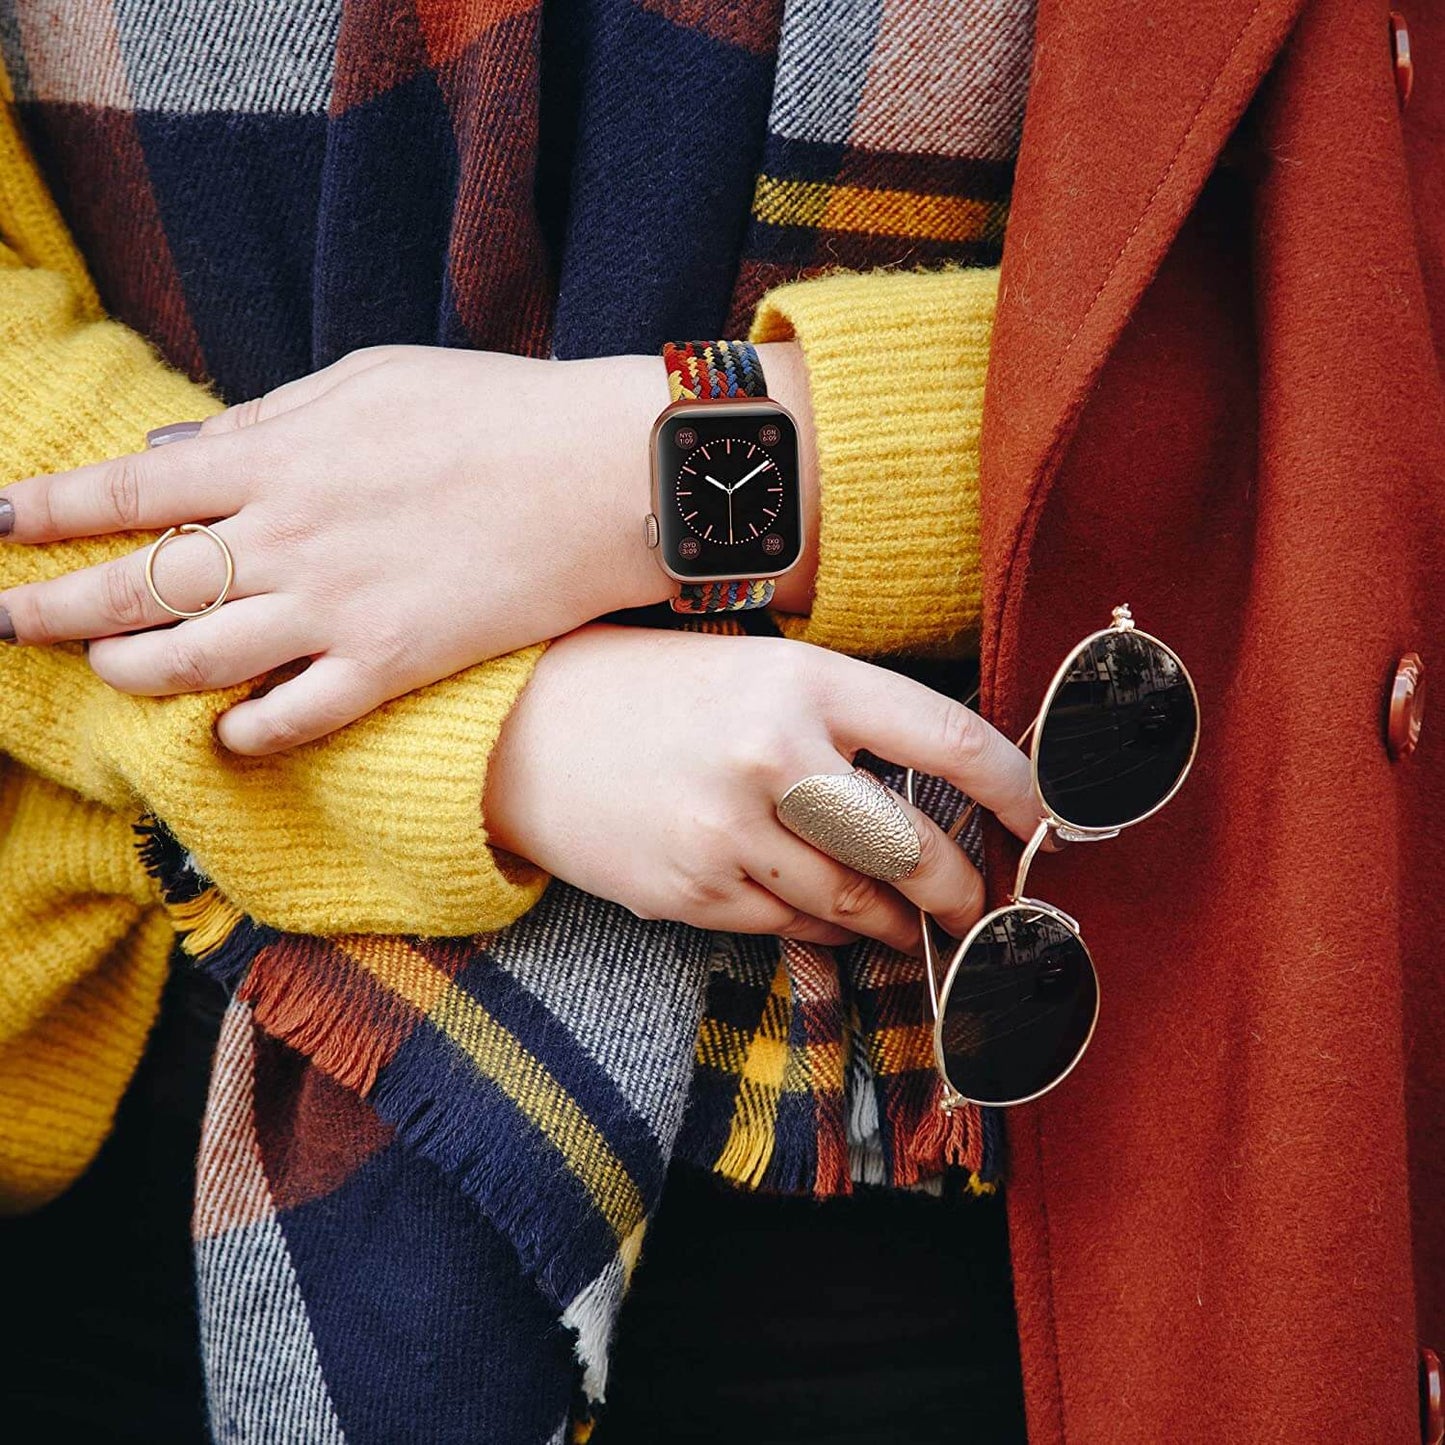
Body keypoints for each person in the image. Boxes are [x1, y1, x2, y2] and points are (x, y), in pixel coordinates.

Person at [0, 1, 1441, 1444]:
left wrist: (660, 470)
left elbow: (1348, 313)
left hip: (1035, 1154)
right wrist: (490, 740)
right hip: (166, 1083)